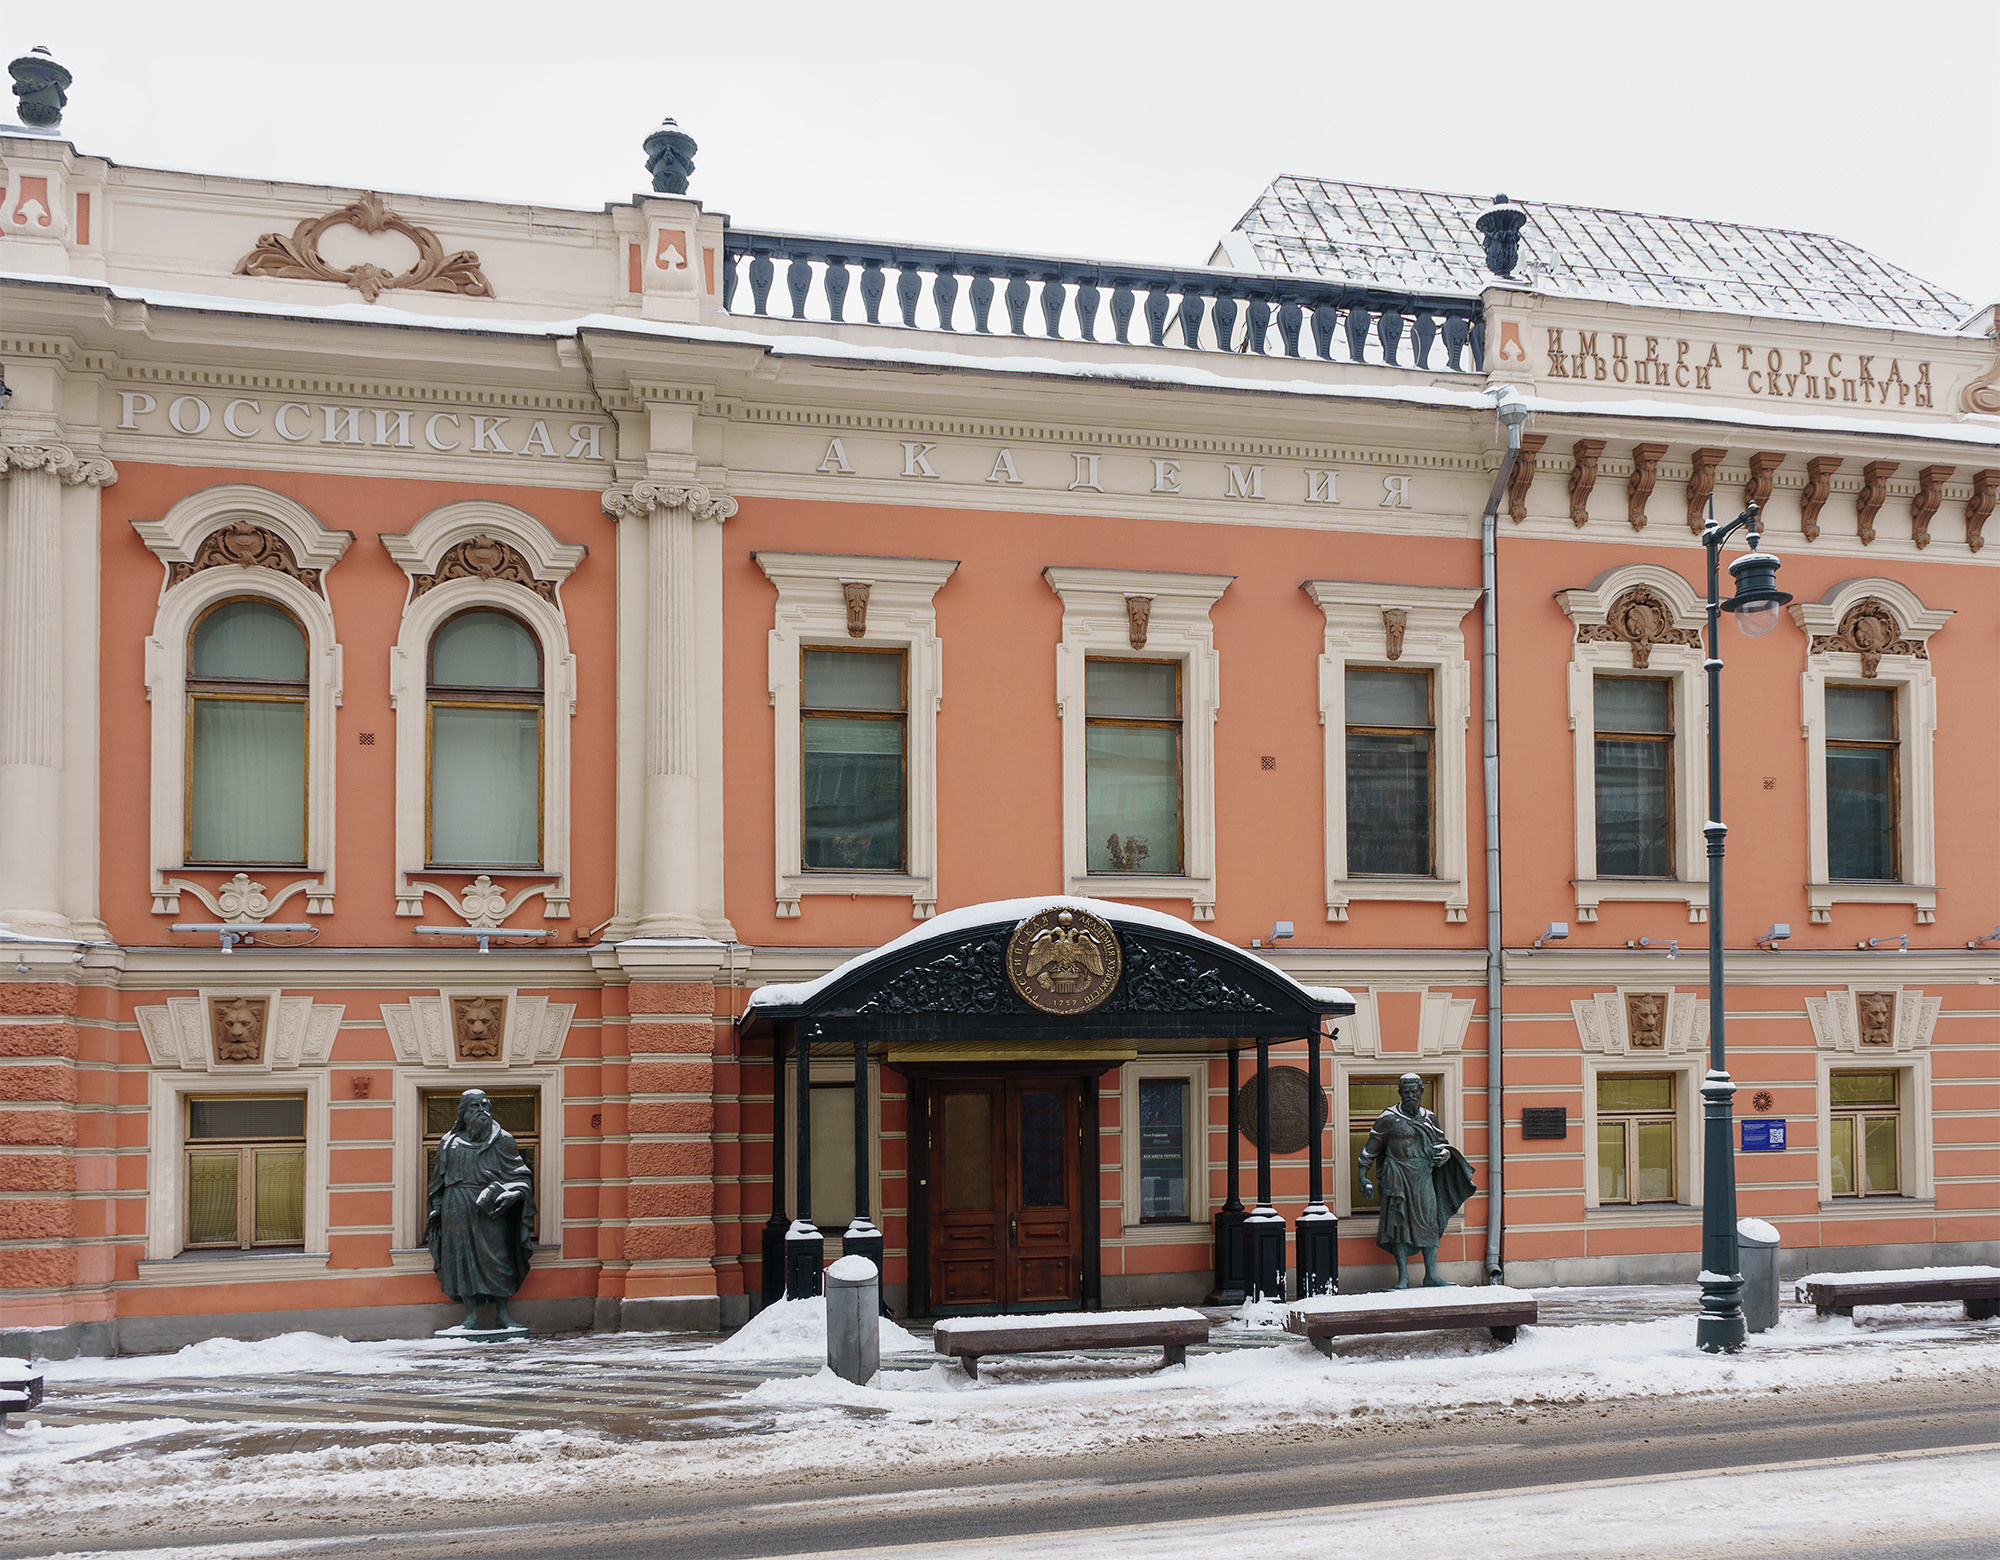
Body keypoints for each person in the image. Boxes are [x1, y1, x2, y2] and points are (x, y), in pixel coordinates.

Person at [425, 1088, 535, 1331]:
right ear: (463, 1112)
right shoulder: (449, 1143)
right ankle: (471, 1317)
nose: (482, 1111)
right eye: (475, 1106)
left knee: (499, 1257)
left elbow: (521, 1176)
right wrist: (437, 1210)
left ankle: (503, 1315)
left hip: (492, 1208)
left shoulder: (502, 1140)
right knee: (460, 1260)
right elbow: (438, 1184)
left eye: (485, 1105)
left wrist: (514, 1193)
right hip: (457, 1206)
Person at [1357, 1073, 1477, 1289]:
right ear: (1400, 1093)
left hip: (1423, 1176)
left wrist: (1444, 1155)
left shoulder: (1429, 1118)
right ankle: (1403, 1278)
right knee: (1398, 1224)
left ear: (1422, 1092)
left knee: (1429, 1222)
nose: (1411, 1095)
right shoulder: (1388, 1118)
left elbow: (1442, 1145)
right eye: (1407, 1092)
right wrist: (1362, 1177)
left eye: (1415, 1091)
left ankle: (1431, 1275)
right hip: (1398, 1176)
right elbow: (1370, 1149)